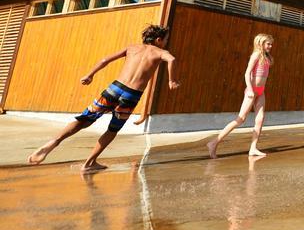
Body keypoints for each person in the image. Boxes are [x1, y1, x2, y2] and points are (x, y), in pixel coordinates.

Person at [28, 25, 179, 172]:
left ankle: (54, 141)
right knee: (112, 129)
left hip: (113, 89)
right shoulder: (160, 52)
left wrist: (90, 74)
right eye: (165, 40)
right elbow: (171, 60)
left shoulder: (132, 48)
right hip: (131, 95)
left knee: (85, 118)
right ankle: (89, 162)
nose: (166, 43)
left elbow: (104, 60)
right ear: (158, 39)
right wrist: (171, 80)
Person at [207, 34, 275, 159]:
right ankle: (213, 142)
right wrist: (250, 89)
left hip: (261, 91)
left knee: (260, 119)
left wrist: (259, 91)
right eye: (268, 44)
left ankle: (253, 148)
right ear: (260, 43)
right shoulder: (255, 55)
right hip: (252, 91)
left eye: (271, 44)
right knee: (240, 118)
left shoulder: (267, 57)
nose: (270, 46)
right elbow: (247, 73)